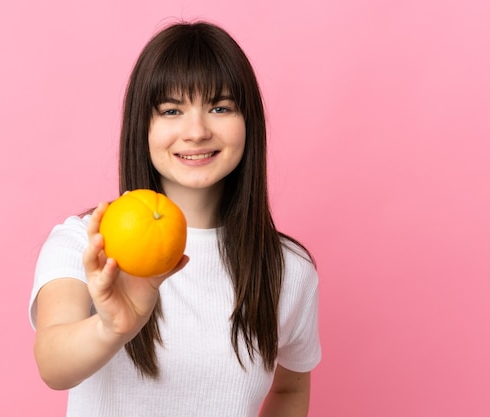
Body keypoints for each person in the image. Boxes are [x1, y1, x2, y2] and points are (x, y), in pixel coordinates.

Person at [29, 21, 321, 417]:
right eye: (171, 110)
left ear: (248, 121)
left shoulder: (288, 267)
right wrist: (112, 328)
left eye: (220, 107)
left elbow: (289, 390)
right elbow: (53, 364)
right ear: (143, 127)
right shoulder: (87, 243)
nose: (197, 131)